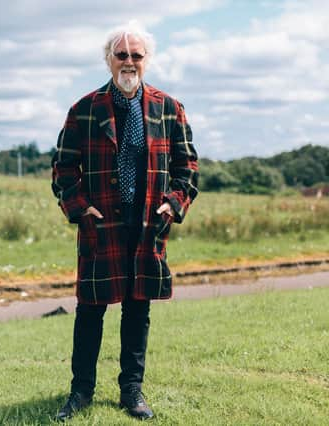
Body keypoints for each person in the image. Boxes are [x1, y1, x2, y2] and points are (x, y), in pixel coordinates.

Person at [50, 21, 198, 421]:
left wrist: (174, 202)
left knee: (138, 310)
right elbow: (63, 168)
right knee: (90, 310)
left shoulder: (168, 107)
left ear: (147, 60)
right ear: (108, 60)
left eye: (136, 55)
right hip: (102, 227)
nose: (129, 61)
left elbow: (188, 165)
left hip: (148, 224)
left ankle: (131, 391)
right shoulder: (84, 109)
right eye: (122, 55)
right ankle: (80, 392)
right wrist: (80, 208)